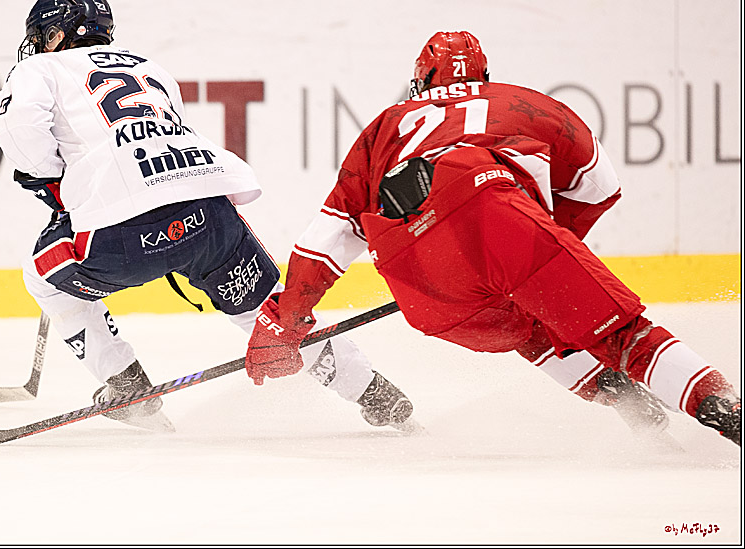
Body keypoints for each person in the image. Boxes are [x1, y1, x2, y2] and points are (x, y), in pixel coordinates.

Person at [246, 31, 741, 446]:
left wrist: (287, 319)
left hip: (415, 274)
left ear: (419, 82)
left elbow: (329, 237)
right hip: (496, 206)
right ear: (484, 78)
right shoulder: (524, 103)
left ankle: (626, 401)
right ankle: (721, 408)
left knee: (526, 330)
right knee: (615, 332)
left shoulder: (385, 127)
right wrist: (540, 242)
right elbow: (601, 187)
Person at [0, 0, 418, 432]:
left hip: (123, 232)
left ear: (56, 36)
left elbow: (21, 132)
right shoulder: (147, 66)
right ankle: (375, 392)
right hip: (209, 217)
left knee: (42, 277)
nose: (37, 46)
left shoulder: (37, 70)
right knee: (271, 315)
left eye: (42, 37)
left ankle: (126, 387)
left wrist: (55, 179)